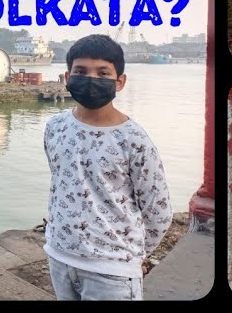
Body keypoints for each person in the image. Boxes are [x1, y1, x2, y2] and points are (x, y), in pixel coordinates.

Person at [43, 34, 171, 300]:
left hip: (112, 271)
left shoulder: (134, 140)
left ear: (120, 82)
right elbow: (61, 182)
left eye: (103, 72)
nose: (91, 79)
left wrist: (128, 255)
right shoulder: (55, 128)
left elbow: (158, 211)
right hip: (59, 257)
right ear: (68, 77)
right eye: (81, 71)